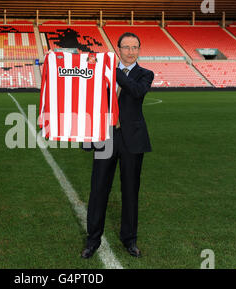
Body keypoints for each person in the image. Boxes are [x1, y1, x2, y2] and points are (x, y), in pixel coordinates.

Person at [81, 32, 154, 259]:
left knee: (131, 192)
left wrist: (110, 71)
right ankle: (92, 240)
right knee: (98, 190)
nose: (131, 51)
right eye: (126, 47)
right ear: (118, 49)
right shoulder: (101, 72)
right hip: (106, 137)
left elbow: (136, 90)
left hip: (133, 140)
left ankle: (129, 240)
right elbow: (87, 98)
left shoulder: (145, 74)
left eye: (135, 47)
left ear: (139, 50)